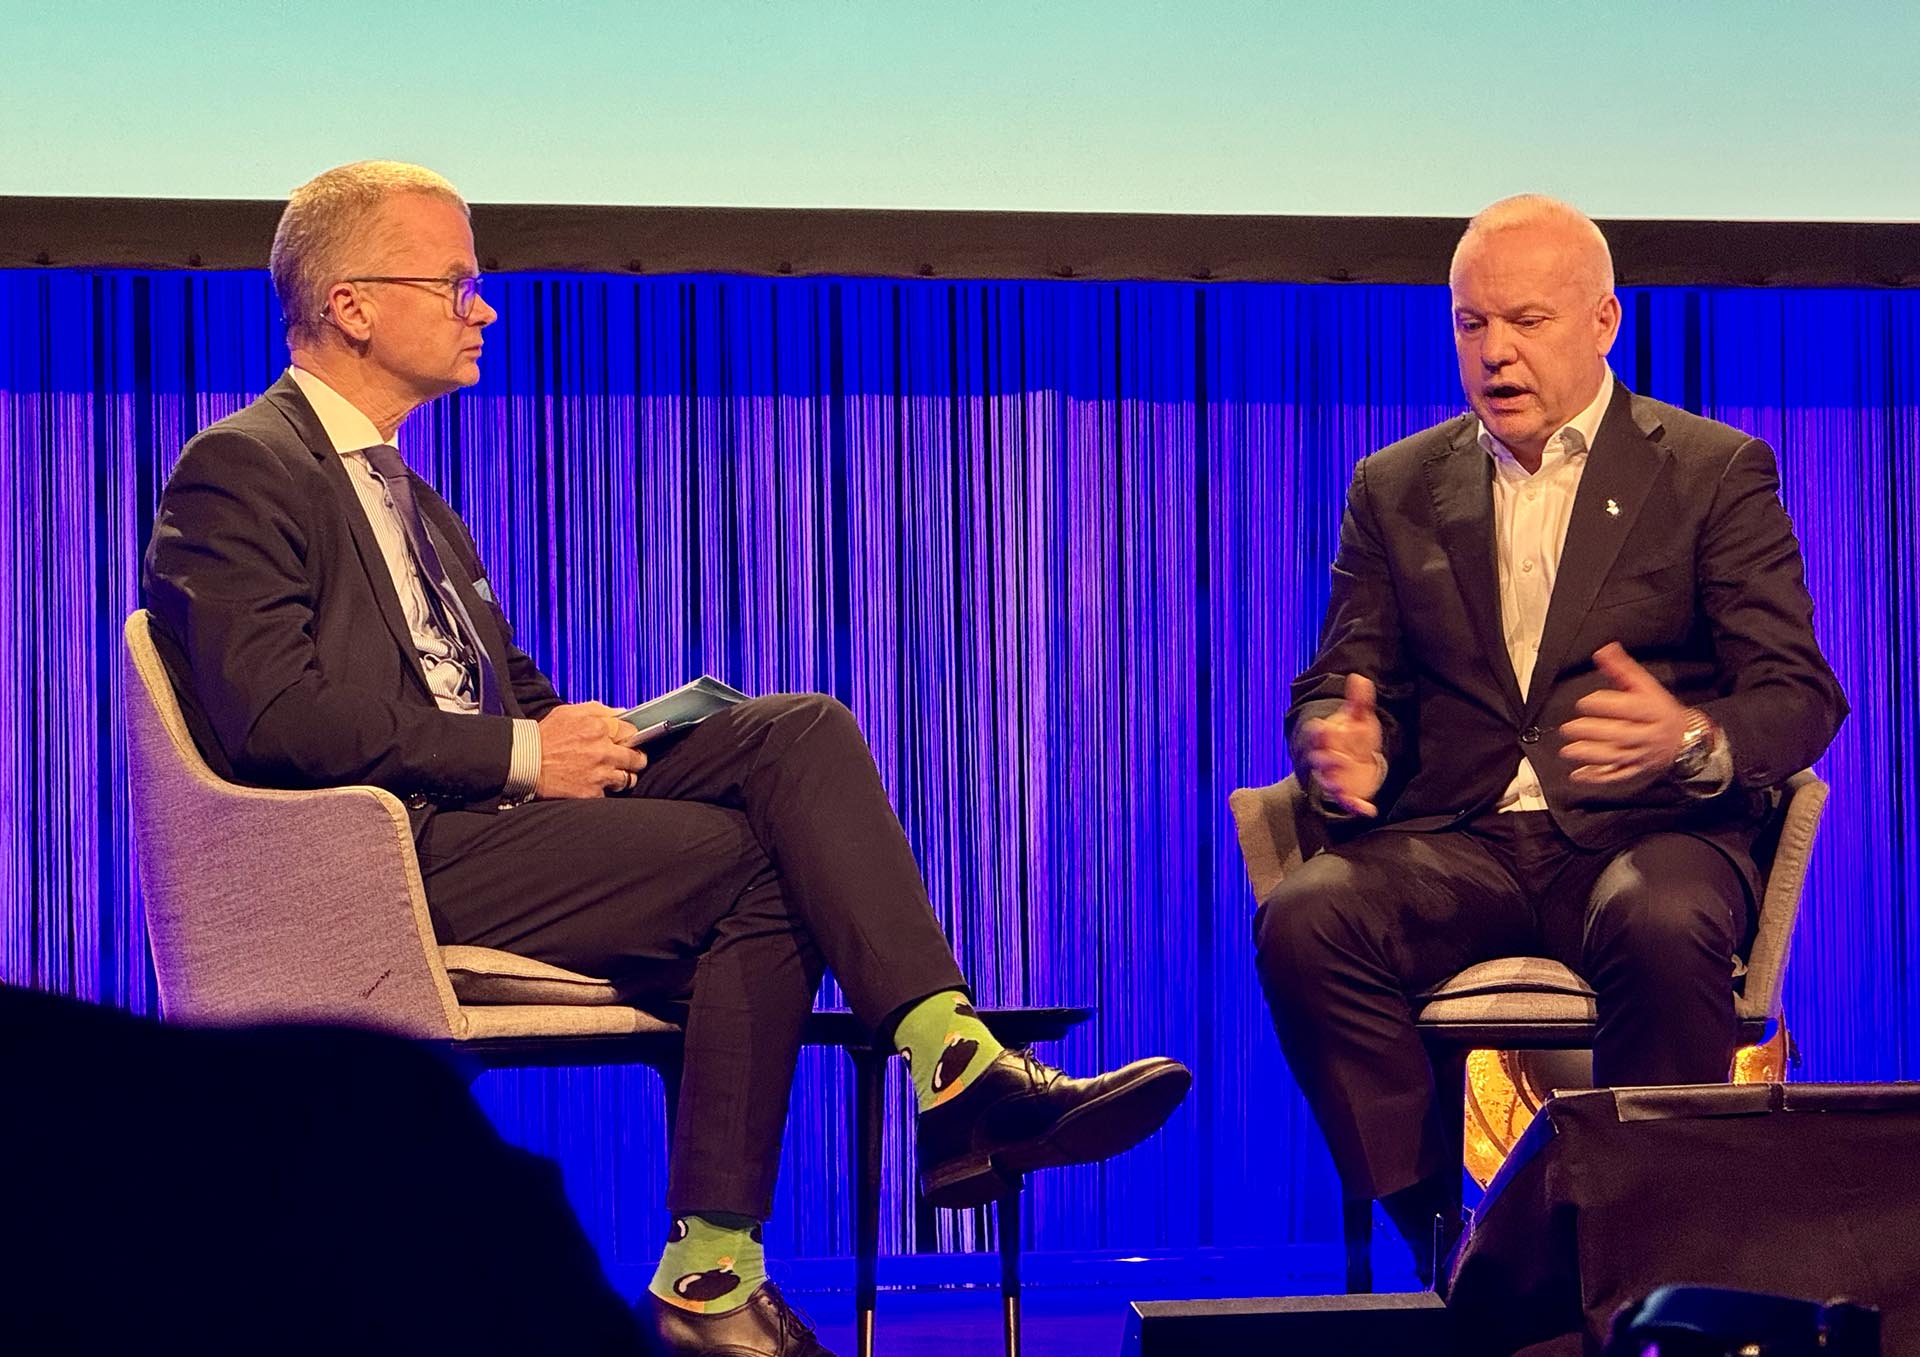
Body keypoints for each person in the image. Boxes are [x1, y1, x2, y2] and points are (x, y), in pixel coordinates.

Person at [143, 160, 1190, 1357]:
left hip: (482, 817)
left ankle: (944, 1070)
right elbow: (275, 717)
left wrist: (596, 735)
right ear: (352, 306)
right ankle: (737, 1260)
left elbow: (503, 691)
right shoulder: (240, 468)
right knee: (764, 864)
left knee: (797, 732)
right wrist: (525, 752)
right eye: (457, 284)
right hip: (381, 856)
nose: (485, 309)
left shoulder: (413, 500)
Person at [1252, 194, 1846, 1281]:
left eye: (1526, 320)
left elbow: (1799, 693)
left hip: (1647, 832)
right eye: (1472, 323)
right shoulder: (1396, 486)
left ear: (1604, 321)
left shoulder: (1711, 470)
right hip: (1459, 840)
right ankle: (1450, 1246)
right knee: (1306, 918)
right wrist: (1336, 743)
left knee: (1662, 919)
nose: (1495, 351)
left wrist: (1691, 735)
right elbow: (1338, 679)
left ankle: (1636, 1254)